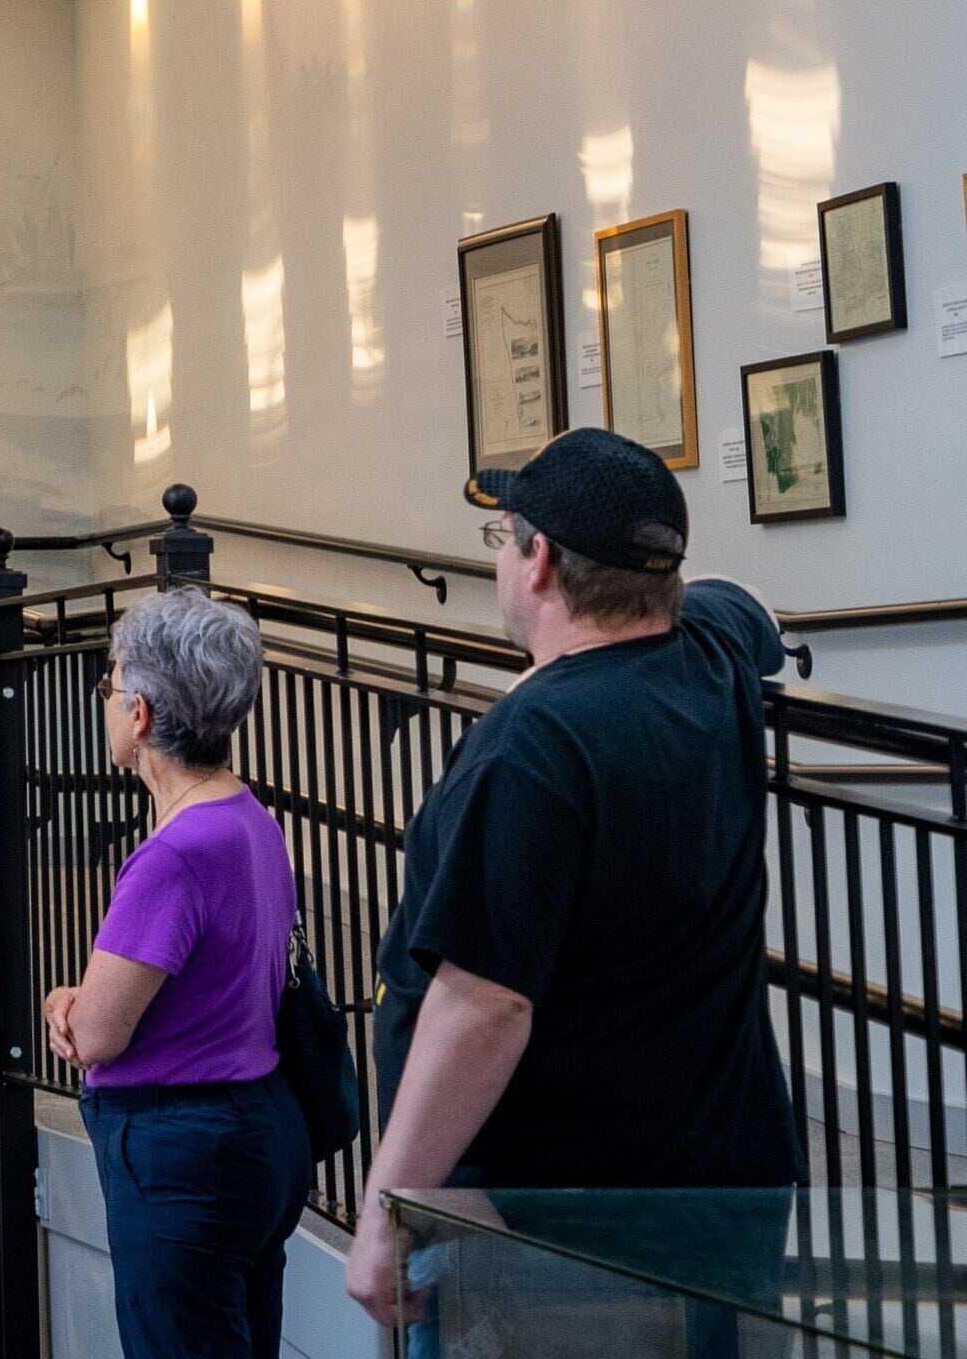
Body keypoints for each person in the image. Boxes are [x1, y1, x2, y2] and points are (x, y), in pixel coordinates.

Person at [343, 427, 802, 1331]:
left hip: (569, 1239)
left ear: (539, 559)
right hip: (723, 1194)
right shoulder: (710, 663)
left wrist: (388, 1205)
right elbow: (742, 606)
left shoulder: (533, 749)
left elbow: (485, 1005)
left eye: (501, 537)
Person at [44, 586, 307, 1359]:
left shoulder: (174, 854)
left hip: (181, 1155)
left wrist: (65, 1000)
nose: (108, 702)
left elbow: (97, 1034)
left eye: (111, 684)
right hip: (258, 1130)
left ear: (142, 714)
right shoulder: (250, 820)